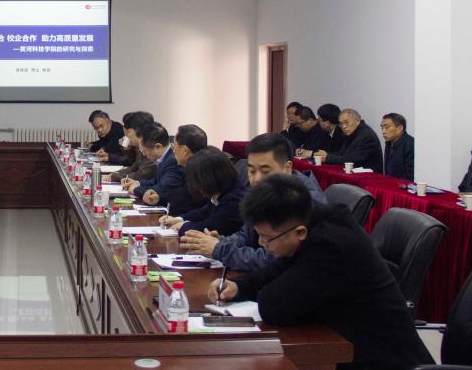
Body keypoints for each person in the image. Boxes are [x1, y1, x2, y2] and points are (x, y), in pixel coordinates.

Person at [207, 174, 433, 369]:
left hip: (380, 360)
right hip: (345, 346)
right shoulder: (312, 218)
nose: (262, 243)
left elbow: (273, 307)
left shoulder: (332, 246)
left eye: (267, 238)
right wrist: (239, 287)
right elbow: (281, 266)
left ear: (300, 232)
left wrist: (258, 290)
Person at [180, 132, 326, 270]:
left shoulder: (304, 202)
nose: (256, 179)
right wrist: (220, 241)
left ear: (287, 168)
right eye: (252, 171)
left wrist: (220, 250)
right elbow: (246, 235)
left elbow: (274, 259)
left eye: (265, 171)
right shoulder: (266, 191)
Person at [160, 147, 243, 237]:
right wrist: (179, 219)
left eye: (197, 181)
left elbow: (212, 226)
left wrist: (184, 226)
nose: (196, 186)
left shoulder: (234, 199)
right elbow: (204, 211)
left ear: (210, 177)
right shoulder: (222, 189)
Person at [122, 122, 191, 215]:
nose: (143, 154)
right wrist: (138, 183)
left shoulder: (173, 161)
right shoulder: (165, 157)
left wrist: (135, 189)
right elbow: (156, 180)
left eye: (144, 150)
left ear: (157, 147)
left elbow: (160, 190)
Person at [312, 108, 383, 173]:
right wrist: (326, 155)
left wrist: (328, 157)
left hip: (371, 176)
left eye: (346, 122)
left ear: (357, 121)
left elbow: (352, 160)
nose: (344, 126)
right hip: (354, 172)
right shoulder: (351, 132)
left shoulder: (366, 136)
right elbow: (342, 153)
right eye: (341, 123)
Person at [107, 111, 157, 182]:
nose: (127, 138)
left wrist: (116, 176)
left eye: (127, 134)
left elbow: (141, 176)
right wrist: (116, 173)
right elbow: (134, 167)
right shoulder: (141, 146)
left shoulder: (152, 146)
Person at [380, 113, 414, 180]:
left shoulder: (410, 144)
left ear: (400, 128)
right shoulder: (389, 143)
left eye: (386, 127)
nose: (383, 131)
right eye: (382, 128)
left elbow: (410, 175)